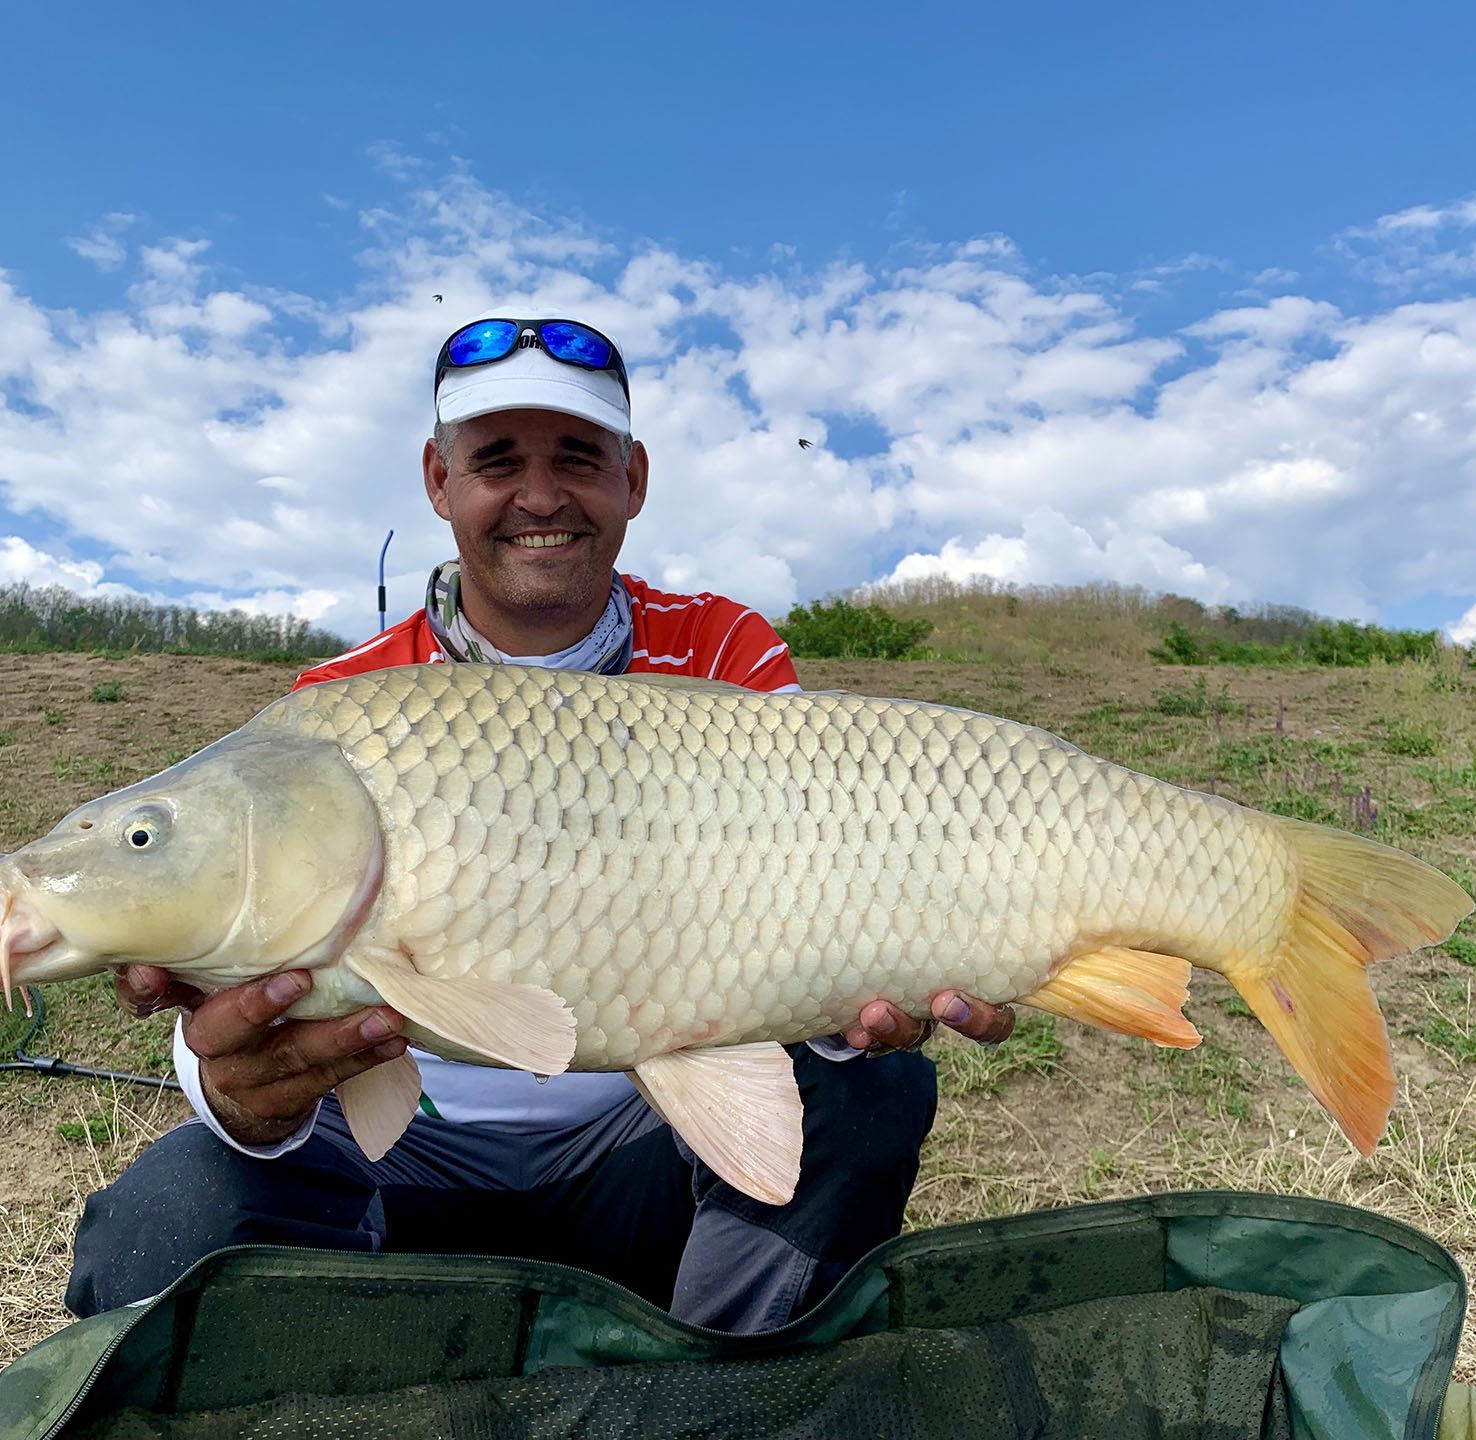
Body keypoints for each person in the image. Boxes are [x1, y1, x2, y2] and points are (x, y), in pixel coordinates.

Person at [66, 314, 1016, 1333]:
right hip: (407, 1154)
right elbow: (246, 1002)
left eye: (577, 457)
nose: (540, 495)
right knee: (164, 1220)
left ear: (633, 478)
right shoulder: (337, 710)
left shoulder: (721, 649)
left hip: (643, 1141)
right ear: (438, 480)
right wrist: (241, 1094)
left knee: (871, 1088)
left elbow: (812, 905)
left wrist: (864, 1000)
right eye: (496, 461)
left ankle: (726, 1388)